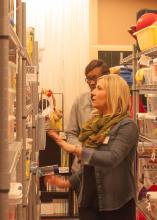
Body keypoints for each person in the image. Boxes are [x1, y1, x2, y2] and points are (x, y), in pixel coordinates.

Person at [46, 74, 139, 220]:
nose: (92, 92)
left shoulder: (127, 126)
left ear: (113, 95)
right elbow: (91, 167)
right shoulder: (95, 124)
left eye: (99, 88)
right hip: (88, 203)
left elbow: (112, 158)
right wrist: (67, 182)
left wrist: (76, 149)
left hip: (116, 205)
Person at [66, 59, 110, 172]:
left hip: (106, 169)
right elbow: (71, 133)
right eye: (88, 79)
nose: (91, 82)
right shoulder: (79, 101)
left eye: (95, 78)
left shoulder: (115, 105)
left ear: (106, 78)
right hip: (82, 167)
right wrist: (81, 149)